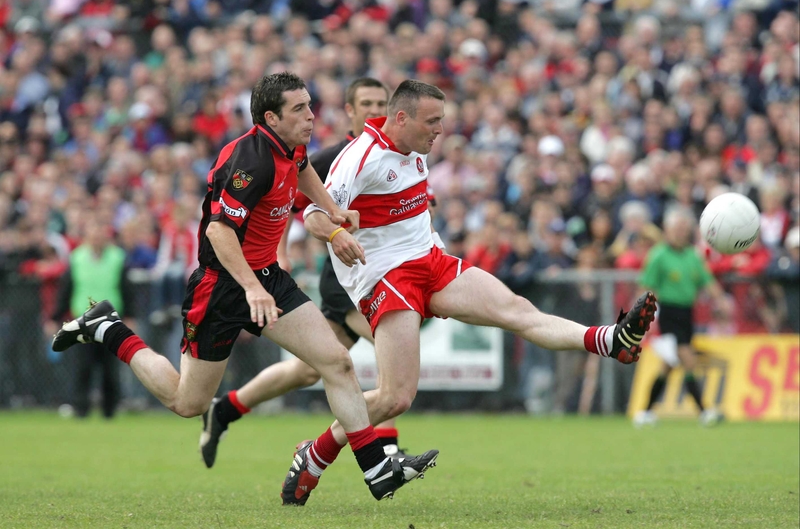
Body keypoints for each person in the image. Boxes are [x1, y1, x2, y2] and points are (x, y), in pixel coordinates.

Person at [50, 72, 438, 504]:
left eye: (309, 106)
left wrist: (332, 209)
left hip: (267, 276)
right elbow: (218, 232)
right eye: (299, 109)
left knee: (337, 363)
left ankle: (376, 468)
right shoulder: (250, 161)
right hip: (221, 287)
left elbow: (303, 169)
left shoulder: (291, 144)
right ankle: (107, 328)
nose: (311, 116)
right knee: (187, 402)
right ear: (271, 118)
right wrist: (252, 289)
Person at [288, 79, 658, 505]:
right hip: (388, 279)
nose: (439, 130)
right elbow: (313, 214)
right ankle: (313, 455)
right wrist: (336, 233)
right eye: (432, 121)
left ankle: (611, 340)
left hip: (431, 262)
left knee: (517, 310)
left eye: (441, 120)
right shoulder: (360, 156)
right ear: (401, 118)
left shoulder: (416, 148)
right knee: (395, 398)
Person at [199, 77, 430, 468]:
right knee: (392, 346)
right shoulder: (332, 156)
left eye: (382, 103)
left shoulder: (401, 154)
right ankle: (385, 447)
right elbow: (287, 205)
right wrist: (281, 252)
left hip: (384, 271)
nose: (376, 111)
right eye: (367, 104)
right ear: (350, 111)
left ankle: (226, 408)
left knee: (308, 371)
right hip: (352, 277)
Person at [632, 207, 729, 427]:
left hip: (686, 314)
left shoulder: (693, 256)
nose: (680, 233)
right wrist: (645, 316)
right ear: (667, 230)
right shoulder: (659, 255)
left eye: (684, 229)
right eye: (677, 228)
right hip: (668, 313)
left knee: (668, 365)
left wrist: (722, 300)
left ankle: (644, 412)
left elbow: (707, 281)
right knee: (688, 359)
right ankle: (704, 411)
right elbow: (646, 286)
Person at [48, 218, 130, 418]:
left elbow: (126, 289)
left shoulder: (117, 257)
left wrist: (130, 315)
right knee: (82, 367)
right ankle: (80, 408)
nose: (97, 237)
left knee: (110, 369)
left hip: (111, 321)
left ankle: (110, 410)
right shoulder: (77, 258)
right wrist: (55, 317)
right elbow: (66, 289)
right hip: (83, 320)